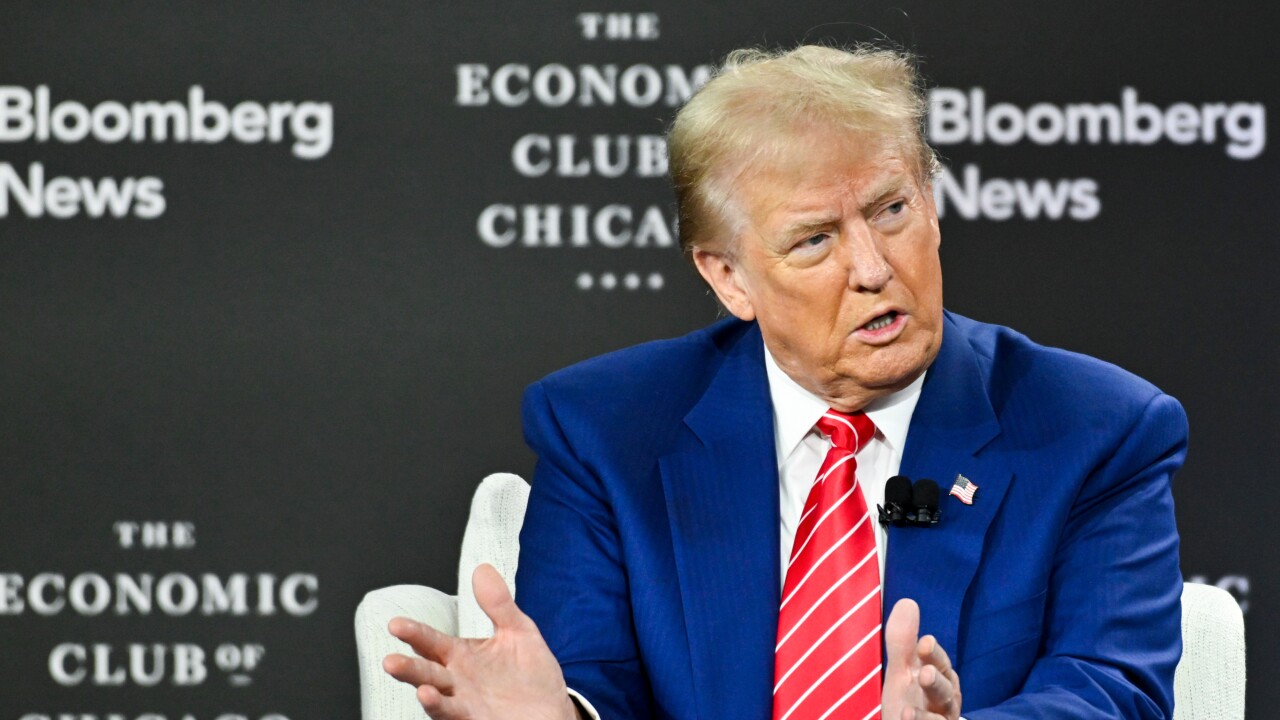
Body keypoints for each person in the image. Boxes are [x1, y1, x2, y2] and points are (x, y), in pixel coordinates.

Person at [383, 44, 1185, 719]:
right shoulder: (607, 431)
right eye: (814, 241)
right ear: (729, 277)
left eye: (892, 209)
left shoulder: (1096, 430)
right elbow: (592, 682)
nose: (873, 268)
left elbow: (1113, 688)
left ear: (934, 205)